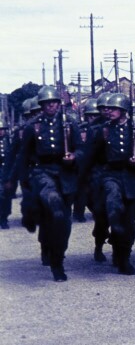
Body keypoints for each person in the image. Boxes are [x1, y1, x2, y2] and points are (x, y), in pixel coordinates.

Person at [6, 86, 84, 281]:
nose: (51, 106)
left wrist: (73, 157)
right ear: (41, 106)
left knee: (62, 223)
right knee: (51, 200)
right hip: (42, 172)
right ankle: (54, 263)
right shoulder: (33, 126)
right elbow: (23, 155)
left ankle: (57, 257)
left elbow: (81, 149)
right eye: (47, 103)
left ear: (58, 104)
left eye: (54, 102)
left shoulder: (69, 124)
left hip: (65, 174)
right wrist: (18, 180)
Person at [77, 93, 135, 275]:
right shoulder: (103, 130)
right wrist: (82, 180)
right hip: (110, 175)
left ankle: (123, 256)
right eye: (108, 108)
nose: (109, 111)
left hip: (131, 177)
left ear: (123, 110)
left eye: (114, 108)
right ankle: (109, 236)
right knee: (113, 209)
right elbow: (91, 156)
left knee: (129, 223)